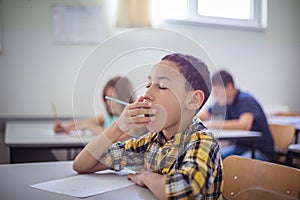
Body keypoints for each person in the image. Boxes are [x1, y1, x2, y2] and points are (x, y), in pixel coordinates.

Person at [73, 53, 223, 199]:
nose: (146, 95)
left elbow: (186, 191)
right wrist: (118, 127)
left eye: (162, 86)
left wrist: (146, 177)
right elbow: (82, 165)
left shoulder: (203, 141)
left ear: (193, 100)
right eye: (148, 84)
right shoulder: (151, 142)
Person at [199, 70, 274, 162]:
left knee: (236, 166)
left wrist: (211, 124)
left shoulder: (245, 100)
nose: (216, 97)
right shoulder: (223, 102)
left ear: (230, 87)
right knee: (210, 159)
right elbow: (203, 115)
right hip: (240, 148)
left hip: (260, 150)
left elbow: (244, 125)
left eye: (218, 92)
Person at [53, 76, 136, 142]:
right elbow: (84, 122)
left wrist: (89, 127)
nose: (107, 103)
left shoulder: (133, 119)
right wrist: (65, 128)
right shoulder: (108, 117)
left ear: (123, 98)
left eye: (112, 98)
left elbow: (118, 137)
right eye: (106, 98)